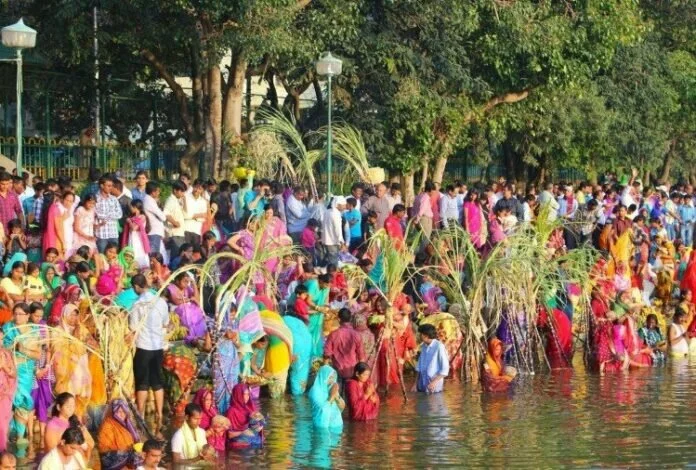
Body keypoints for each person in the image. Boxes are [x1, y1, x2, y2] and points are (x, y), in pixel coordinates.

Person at [128, 274, 169, 437]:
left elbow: (132, 327)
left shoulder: (138, 304)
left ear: (137, 287)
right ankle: (159, 414)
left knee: (142, 382)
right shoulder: (161, 302)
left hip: (143, 347)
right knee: (157, 381)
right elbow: (165, 322)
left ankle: (141, 414)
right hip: (157, 347)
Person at [3, 303, 38, 440]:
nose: (17, 317)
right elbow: (3, 349)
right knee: (8, 401)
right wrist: (11, 347)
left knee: (23, 402)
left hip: (26, 372)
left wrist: (21, 349)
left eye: (21, 314)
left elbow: (37, 354)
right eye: (15, 313)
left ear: (28, 316)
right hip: (9, 370)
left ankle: (20, 435)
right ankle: (6, 435)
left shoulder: (33, 331)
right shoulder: (8, 328)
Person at [97, 399, 142, 470]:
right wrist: (128, 455)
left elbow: (137, 442)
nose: (122, 414)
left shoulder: (128, 424)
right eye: (119, 412)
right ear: (113, 412)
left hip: (129, 460)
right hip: (115, 463)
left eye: (124, 411)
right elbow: (104, 452)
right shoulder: (107, 426)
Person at [323, 308, 365, 384]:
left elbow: (327, 354)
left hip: (337, 372)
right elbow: (361, 357)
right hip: (352, 372)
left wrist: (325, 372)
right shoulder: (356, 335)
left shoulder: (333, 334)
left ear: (339, 319)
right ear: (350, 319)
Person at [166, 271, 207, 344]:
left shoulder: (187, 287)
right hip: (177, 308)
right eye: (184, 281)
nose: (186, 284)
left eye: (188, 281)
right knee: (186, 312)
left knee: (197, 311)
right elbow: (176, 301)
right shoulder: (171, 287)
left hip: (188, 306)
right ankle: (191, 337)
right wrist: (190, 299)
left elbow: (197, 298)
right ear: (177, 281)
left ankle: (199, 336)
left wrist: (193, 283)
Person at [226, 383, 265, 449]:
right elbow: (229, 435)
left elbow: (256, 425)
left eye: (248, 394)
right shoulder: (231, 411)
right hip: (239, 439)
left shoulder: (249, 408)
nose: (247, 397)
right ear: (238, 395)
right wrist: (244, 432)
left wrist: (260, 423)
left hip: (250, 437)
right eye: (244, 394)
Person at [413, 324, 449, 394]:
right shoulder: (423, 346)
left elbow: (445, 368)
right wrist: (415, 384)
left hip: (433, 386)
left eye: (420, 334)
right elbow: (419, 367)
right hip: (422, 384)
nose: (419, 336)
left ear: (425, 335)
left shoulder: (439, 347)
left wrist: (434, 382)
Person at [283, 308, 312, 395]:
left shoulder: (283, 319)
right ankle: (298, 393)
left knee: (282, 372)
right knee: (300, 372)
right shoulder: (300, 323)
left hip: (294, 345)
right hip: (307, 346)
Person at [308, 365, 344, 430]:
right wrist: (332, 395)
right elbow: (322, 411)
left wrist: (336, 395)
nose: (332, 380)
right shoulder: (315, 391)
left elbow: (342, 407)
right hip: (321, 429)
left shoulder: (331, 387)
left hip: (337, 428)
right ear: (323, 377)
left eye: (333, 377)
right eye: (330, 377)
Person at [95, 176, 123, 253]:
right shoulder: (96, 199)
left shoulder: (114, 199)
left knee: (114, 257)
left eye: (112, 186)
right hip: (101, 234)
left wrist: (106, 215)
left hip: (113, 233)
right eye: (108, 186)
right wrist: (111, 214)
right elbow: (98, 214)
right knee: (102, 257)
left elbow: (120, 214)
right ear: (102, 185)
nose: (111, 188)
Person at [121, 199, 151, 269]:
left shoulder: (142, 216)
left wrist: (129, 221)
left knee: (139, 253)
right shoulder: (132, 217)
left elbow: (134, 228)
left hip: (138, 240)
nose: (130, 209)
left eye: (131, 207)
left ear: (135, 207)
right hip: (132, 239)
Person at [0, 328, 16, 453]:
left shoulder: (6, 354)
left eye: (1, 339)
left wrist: (4, 367)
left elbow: (14, 375)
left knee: (2, 426)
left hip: (4, 395)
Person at [321, 197, 347, 267]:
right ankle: (332, 276)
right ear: (337, 205)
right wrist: (342, 242)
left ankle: (321, 269)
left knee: (327, 257)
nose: (345, 207)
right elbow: (338, 230)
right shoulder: (336, 214)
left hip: (326, 239)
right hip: (332, 241)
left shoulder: (327, 211)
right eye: (343, 205)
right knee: (333, 261)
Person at [183, 179, 208, 245]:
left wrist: (192, 216)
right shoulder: (185, 197)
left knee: (195, 253)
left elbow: (204, 218)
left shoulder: (203, 202)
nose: (196, 190)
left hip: (197, 230)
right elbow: (185, 215)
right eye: (195, 187)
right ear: (193, 186)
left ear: (203, 190)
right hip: (186, 229)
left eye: (199, 188)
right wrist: (198, 215)